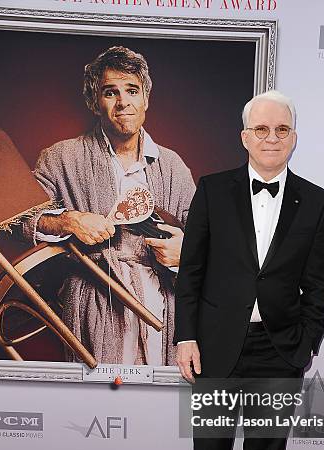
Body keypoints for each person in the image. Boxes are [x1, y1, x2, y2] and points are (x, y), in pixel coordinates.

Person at [174, 90, 324, 450]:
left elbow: (319, 284)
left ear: (294, 138)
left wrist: (305, 343)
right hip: (217, 347)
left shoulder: (316, 201)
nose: (271, 138)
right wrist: (186, 337)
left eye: (281, 129)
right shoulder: (213, 190)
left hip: (280, 350)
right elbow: (191, 272)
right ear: (244, 137)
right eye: (260, 129)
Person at [21, 46, 195, 365]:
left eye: (132, 90)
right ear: (94, 102)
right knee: (99, 402)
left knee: (157, 404)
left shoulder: (172, 165)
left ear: (145, 99)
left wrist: (189, 249)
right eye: (110, 92)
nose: (123, 102)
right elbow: (23, 219)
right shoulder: (61, 157)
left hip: (162, 304)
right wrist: (67, 221)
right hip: (94, 299)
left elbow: (210, 233)